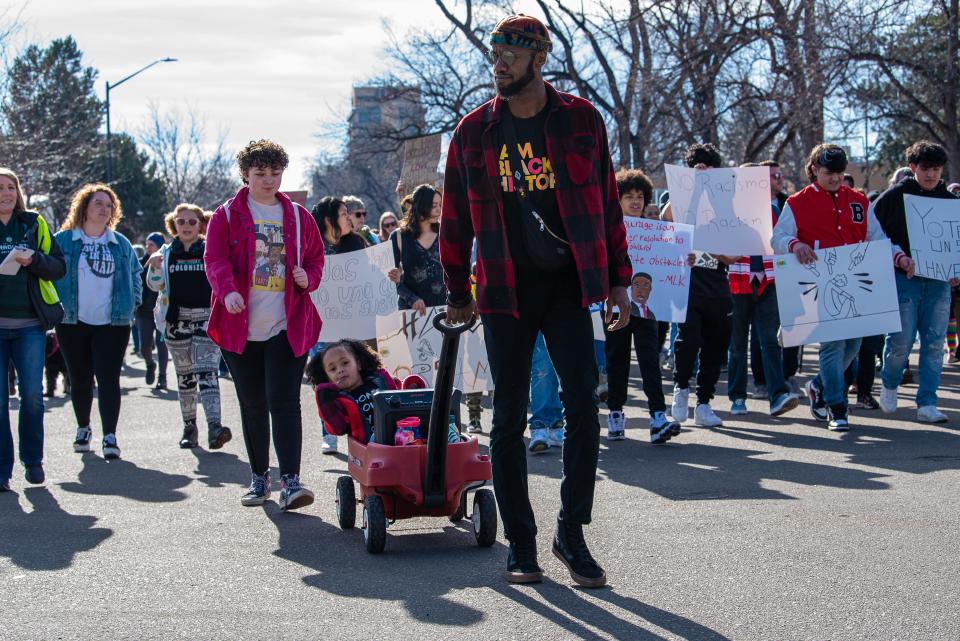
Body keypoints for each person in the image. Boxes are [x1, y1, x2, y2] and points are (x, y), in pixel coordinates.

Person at [440, 14, 632, 588]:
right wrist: (457, 290)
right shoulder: (473, 132)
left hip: (570, 284)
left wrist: (619, 279)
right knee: (508, 418)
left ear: (537, 59)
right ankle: (521, 541)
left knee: (581, 408)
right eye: (495, 54)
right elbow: (454, 220)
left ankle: (571, 533)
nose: (498, 64)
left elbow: (605, 204)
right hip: (503, 286)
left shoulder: (580, 120)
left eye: (510, 55)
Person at [204, 139, 324, 511]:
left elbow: (318, 259)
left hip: (287, 323)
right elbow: (215, 259)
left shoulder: (301, 217)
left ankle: (291, 480)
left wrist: (309, 277)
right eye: (260, 174)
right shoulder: (226, 215)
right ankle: (260, 477)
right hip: (240, 325)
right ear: (245, 174)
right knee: (253, 403)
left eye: (275, 173)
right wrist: (226, 292)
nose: (269, 180)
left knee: (285, 401)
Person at [772, 144, 907, 430]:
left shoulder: (859, 201)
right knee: (832, 346)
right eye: (828, 172)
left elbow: (876, 237)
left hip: (856, 286)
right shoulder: (797, 202)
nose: (835, 178)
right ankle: (837, 407)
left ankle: (818, 386)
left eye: (839, 172)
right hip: (818, 285)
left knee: (854, 345)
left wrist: (896, 255)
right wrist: (795, 244)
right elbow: (778, 237)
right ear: (814, 170)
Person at [54, 184, 142, 459]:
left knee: (108, 379)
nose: (104, 210)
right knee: (79, 379)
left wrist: (132, 304)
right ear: (84, 207)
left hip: (112, 323)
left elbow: (136, 274)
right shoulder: (64, 240)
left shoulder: (120, 243)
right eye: (98, 204)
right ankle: (83, 428)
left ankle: (110, 436)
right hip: (72, 321)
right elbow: (48, 273)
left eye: (109, 206)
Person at [873, 140, 959, 422]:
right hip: (904, 280)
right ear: (913, 168)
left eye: (936, 169)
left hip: (939, 283)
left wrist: (955, 268)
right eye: (925, 168)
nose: (931, 174)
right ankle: (889, 381)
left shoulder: (950, 201)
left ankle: (927, 404)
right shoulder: (896, 195)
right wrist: (898, 258)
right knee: (901, 340)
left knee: (935, 344)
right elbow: (873, 231)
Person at [661, 144, 737, 428]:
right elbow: (666, 218)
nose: (703, 171)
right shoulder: (680, 199)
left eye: (708, 167)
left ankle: (704, 403)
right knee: (687, 339)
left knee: (716, 344)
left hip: (717, 282)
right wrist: (690, 186)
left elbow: (735, 255)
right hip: (687, 282)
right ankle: (681, 389)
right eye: (698, 166)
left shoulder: (726, 203)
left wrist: (715, 251)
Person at [0, 167, 66, 490]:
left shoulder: (33, 223)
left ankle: (33, 461)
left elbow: (58, 266)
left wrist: (34, 260)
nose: (6, 193)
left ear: (18, 192)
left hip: (29, 326)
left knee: (32, 396)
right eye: (0, 188)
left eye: (11, 187)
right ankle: (1, 470)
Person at [146, 204, 232, 449]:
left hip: (206, 319)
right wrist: (154, 267)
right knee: (185, 377)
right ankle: (190, 428)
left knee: (207, 372)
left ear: (200, 224)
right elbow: (155, 286)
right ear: (173, 224)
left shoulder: (210, 250)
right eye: (181, 222)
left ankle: (215, 426)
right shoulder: (165, 253)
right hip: (176, 321)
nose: (186, 226)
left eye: (192, 222)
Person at [726, 163, 798, 418]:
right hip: (739, 281)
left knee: (769, 340)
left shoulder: (773, 211)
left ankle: (777, 393)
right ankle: (736, 397)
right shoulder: (730, 212)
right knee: (737, 344)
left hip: (768, 281)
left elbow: (780, 245)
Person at [310, 196, 368, 454]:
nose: (349, 217)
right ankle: (330, 431)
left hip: (354, 320)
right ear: (328, 219)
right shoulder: (311, 248)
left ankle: (363, 427)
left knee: (356, 374)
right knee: (328, 376)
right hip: (322, 324)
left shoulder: (357, 243)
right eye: (344, 213)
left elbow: (372, 277)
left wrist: (390, 274)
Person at [605, 272, 681, 444]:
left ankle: (657, 416)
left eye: (645, 285)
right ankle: (615, 412)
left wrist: (684, 260)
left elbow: (674, 250)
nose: (640, 289)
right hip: (617, 300)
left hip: (649, 312)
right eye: (637, 285)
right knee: (617, 359)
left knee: (650, 361)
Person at [306, 339, 397, 443]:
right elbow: (337, 428)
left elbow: (401, 399)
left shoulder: (379, 380)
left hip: (400, 439)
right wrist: (325, 398)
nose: (340, 370)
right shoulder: (339, 402)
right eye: (333, 369)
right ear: (328, 378)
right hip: (367, 452)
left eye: (345, 363)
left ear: (358, 364)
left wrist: (412, 385)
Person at [389, 184, 446, 315]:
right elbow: (389, 279)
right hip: (412, 313)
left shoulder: (446, 233)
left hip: (445, 310)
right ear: (421, 206)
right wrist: (411, 298)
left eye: (440, 205)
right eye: (434, 205)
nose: (438, 210)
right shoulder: (398, 237)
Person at [137, 231, 169, 389]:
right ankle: (150, 364)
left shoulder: (166, 262)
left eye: (152, 244)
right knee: (144, 346)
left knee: (161, 344)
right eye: (147, 244)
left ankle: (162, 377)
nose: (148, 247)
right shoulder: (140, 264)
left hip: (162, 311)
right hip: (144, 312)